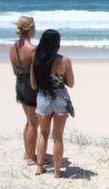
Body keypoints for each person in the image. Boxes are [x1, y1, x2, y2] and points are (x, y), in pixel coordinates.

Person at [30, 29, 75, 178]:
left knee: (43, 134)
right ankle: (56, 172)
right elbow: (71, 83)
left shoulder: (36, 60)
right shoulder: (65, 60)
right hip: (60, 98)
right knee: (58, 137)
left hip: (43, 98)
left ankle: (39, 167)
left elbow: (34, 85)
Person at [9, 16, 37, 166]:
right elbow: (34, 75)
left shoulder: (13, 47)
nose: (36, 30)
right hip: (29, 85)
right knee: (34, 123)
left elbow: (15, 71)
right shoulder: (32, 50)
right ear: (30, 29)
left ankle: (28, 153)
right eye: (35, 27)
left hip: (19, 83)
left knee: (28, 121)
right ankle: (32, 158)